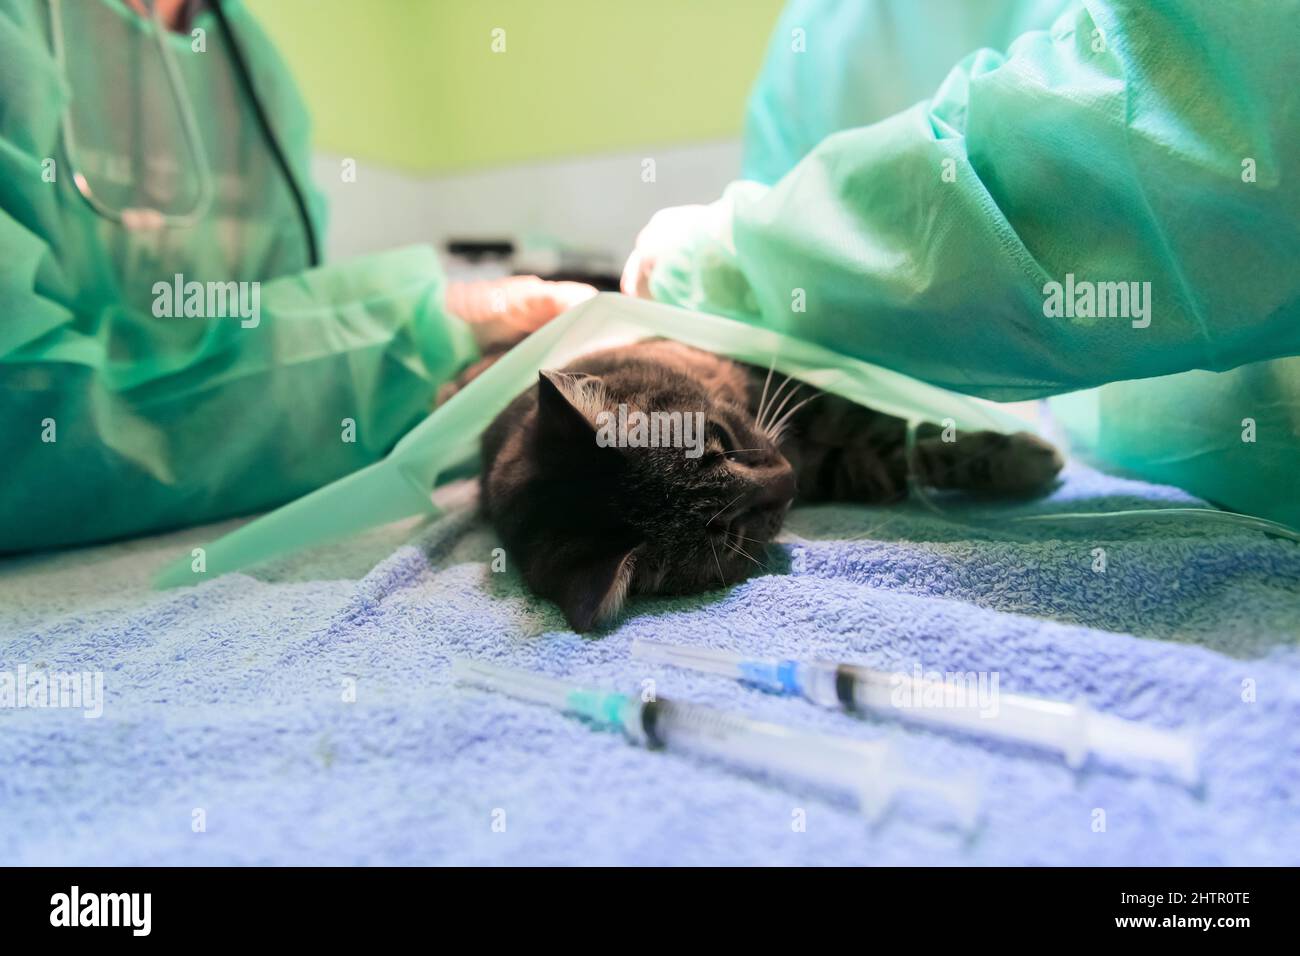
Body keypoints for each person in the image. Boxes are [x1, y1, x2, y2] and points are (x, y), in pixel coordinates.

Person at [622, 0, 1300, 527]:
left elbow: (1200, 151)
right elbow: (787, 356)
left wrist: (714, 262)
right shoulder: (819, 36)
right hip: (1130, 474)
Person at [0, 0, 589, 553]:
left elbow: (273, 339)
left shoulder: (250, 67)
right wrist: (413, 334)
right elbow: (25, 426)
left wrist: (438, 351)